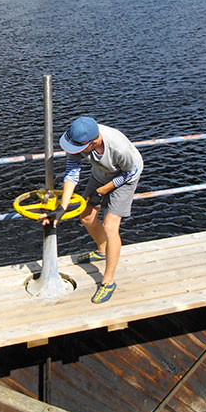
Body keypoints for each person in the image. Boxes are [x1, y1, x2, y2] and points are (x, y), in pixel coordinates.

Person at [43, 116, 143, 304]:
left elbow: (131, 172)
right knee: (86, 217)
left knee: (110, 227)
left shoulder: (118, 147)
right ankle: (102, 250)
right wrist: (61, 207)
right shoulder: (77, 139)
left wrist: (103, 191)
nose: (75, 151)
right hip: (101, 172)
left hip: (126, 176)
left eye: (79, 149)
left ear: (94, 141)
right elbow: (72, 172)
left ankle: (108, 281)